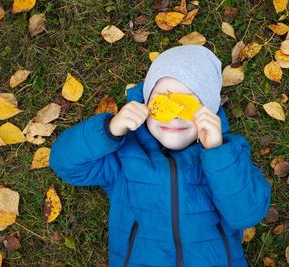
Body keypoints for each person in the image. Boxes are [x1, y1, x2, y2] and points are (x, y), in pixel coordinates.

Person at [49, 45, 271, 267]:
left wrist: (217, 153)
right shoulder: (124, 153)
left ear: (210, 113)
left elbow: (247, 215)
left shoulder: (228, 154)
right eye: (163, 103)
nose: (174, 117)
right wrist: (110, 130)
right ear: (146, 104)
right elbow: (64, 163)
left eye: (188, 105)